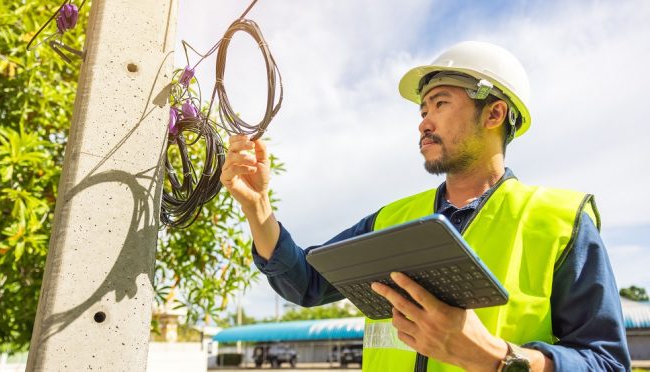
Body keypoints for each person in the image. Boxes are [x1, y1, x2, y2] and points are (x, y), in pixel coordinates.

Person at [220, 41, 631, 371]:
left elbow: (606, 362)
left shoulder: (560, 221)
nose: (423, 121)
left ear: (495, 113)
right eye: (422, 109)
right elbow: (305, 281)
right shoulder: (392, 219)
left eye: (440, 104)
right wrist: (258, 208)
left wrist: (494, 358)